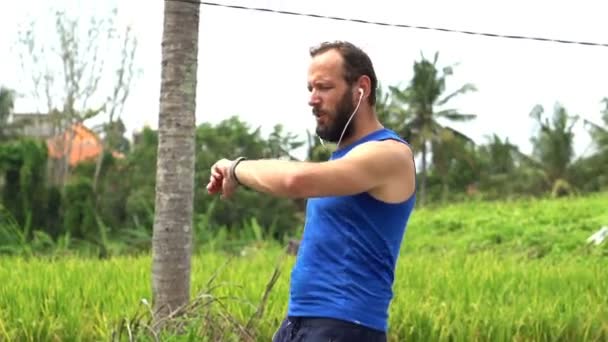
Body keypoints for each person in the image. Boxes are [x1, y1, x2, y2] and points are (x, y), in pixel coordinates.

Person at [206, 41, 416, 342]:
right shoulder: (343, 159)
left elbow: (296, 181)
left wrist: (235, 169)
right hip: (301, 323)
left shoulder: (390, 154)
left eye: (324, 87)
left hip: (345, 326)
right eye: (310, 89)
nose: (313, 99)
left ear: (362, 88)